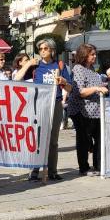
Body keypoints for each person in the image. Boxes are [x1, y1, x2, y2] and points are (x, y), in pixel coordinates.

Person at [27, 38, 70, 181]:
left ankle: (52, 171)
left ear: (52, 50)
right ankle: (34, 171)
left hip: (55, 103)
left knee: (53, 140)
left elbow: (70, 88)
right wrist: (27, 64)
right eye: (40, 49)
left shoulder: (60, 66)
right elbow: (18, 78)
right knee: (38, 139)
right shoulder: (35, 66)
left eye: (45, 48)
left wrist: (64, 82)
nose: (42, 51)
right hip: (39, 104)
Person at [67, 43, 110, 176]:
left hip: (96, 110)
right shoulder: (78, 69)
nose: (94, 57)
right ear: (84, 55)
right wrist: (97, 88)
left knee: (99, 138)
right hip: (82, 111)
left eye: (95, 54)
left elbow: (96, 84)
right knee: (83, 140)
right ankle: (84, 168)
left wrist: (104, 85)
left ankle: (98, 165)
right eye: (92, 54)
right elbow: (80, 91)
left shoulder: (92, 69)